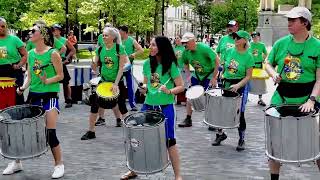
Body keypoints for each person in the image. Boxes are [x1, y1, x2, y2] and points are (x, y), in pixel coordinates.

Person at [264, 7, 320, 180]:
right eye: (288, 19)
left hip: (307, 96)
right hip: (282, 96)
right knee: (274, 142)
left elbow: (319, 79)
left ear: (305, 23)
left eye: (293, 20)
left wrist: (311, 100)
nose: (289, 23)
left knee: (317, 142)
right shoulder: (281, 43)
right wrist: (273, 74)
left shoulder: (317, 46)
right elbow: (267, 63)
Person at [4, 23, 65, 179]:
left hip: (50, 97)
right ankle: (17, 162)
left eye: (34, 31)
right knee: (23, 131)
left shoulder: (53, 53)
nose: (30, 33)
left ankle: (59, 165)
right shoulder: (30, 53)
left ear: (43, 34)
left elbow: (61, 76)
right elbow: (30, 76)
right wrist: (23, 87)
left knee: (50, 132)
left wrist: (47, 80)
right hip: (33, 96)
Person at [120, 36, 183, 180]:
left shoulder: (171, 65)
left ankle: (178, 175)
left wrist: (169, 91)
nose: (150, 47)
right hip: (148, 105)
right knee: (137, 138)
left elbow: (181, 86)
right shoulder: (147, 63)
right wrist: (143, 88)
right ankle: (134, 169)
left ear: (162, 47)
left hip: (165, 107)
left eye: (153, 45)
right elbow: (147, 84)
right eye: (150, 44)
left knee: (170, 141)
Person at [81, 27, 129, 140]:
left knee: (122, 106)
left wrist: (116, 84)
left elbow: (121, 68)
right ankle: (91, 131)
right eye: (103, 35)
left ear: (113, 37)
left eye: (106, 35)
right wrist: (93, 63)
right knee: (94, 105)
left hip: (117, 81)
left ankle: (130, 133)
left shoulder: (119, 48)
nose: (103, 37)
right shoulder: (100, 49)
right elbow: (95, 67)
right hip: (103, 81)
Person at [212, 30, 254, 152]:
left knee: (240, 113)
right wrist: (219, 74)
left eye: (239, 38)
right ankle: (220, 134)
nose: (235, 39)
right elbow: (224, 66)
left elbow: (248, 76)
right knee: (222, 109)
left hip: (240, 85)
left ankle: (241, 139)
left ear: (245, 41)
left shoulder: (248, 56)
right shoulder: (230, 51)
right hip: (227, 83)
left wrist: (238, 85)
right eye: (235, 37)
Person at [177, 32, 219, 128]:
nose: (184, 45)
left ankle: (211, 120)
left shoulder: (204, 48)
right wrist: (188, 77)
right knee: (189, 95)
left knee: (210, 97)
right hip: (197, 75)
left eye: (186, 43)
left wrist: (214, 77)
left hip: (209, 74)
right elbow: (185, 64)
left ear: (193, 41)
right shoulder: (186, 52)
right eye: (183, 43)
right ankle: (188, 119)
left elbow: (217, 61)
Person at [0, 17, 28, 105]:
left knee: (17, 94)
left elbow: (25, 55)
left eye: (3, 26)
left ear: (6, 27)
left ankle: (19, 115)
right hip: (0, 69)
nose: (1, 28)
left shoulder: (14, 39)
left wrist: (19, 65)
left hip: (14, 69)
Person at [119, 25, 144, 111]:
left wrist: (133, 54)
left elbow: (141, 50)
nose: (119, 33)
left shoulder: (131, 40)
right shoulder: (118, 41)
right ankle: (115, 103)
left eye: (120, 32)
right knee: (118, 84)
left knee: (130, 85)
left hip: (128, 66)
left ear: (125, 32)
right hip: (118, 67)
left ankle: (132, 104)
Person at [52, 24, 76, 108]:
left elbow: (73, 50)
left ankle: (69, 99)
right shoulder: (50, 40)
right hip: (51, 62)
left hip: (61, 62)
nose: (54, 31)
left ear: (59, 30)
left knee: (65, 82)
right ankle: (54, 98)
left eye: (56, 29)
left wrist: (67, 58)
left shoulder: (64, 40)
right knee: (52, 81)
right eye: (53, 30)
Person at [249, 31, 268, 106]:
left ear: (259, 37)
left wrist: (263, 59)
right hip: (250, 66)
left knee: (260, 82)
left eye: (256, 36)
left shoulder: (262, 45)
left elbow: (265, 53)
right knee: (248, 81)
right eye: (253, 37)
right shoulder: (249, 44)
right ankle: (245, 97)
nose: (254, 38)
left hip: (259, 66)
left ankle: (260, 99)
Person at [173, 35, 187, 104]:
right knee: (174, 84)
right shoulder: (173, 48)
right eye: (175, 38)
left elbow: (186, 59)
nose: (176, 40)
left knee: (182, 84)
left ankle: (182, 100)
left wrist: (185, 67)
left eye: (178, 38)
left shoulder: (184, 49)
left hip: (182, 69)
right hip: (174, 68)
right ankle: (175, 99)